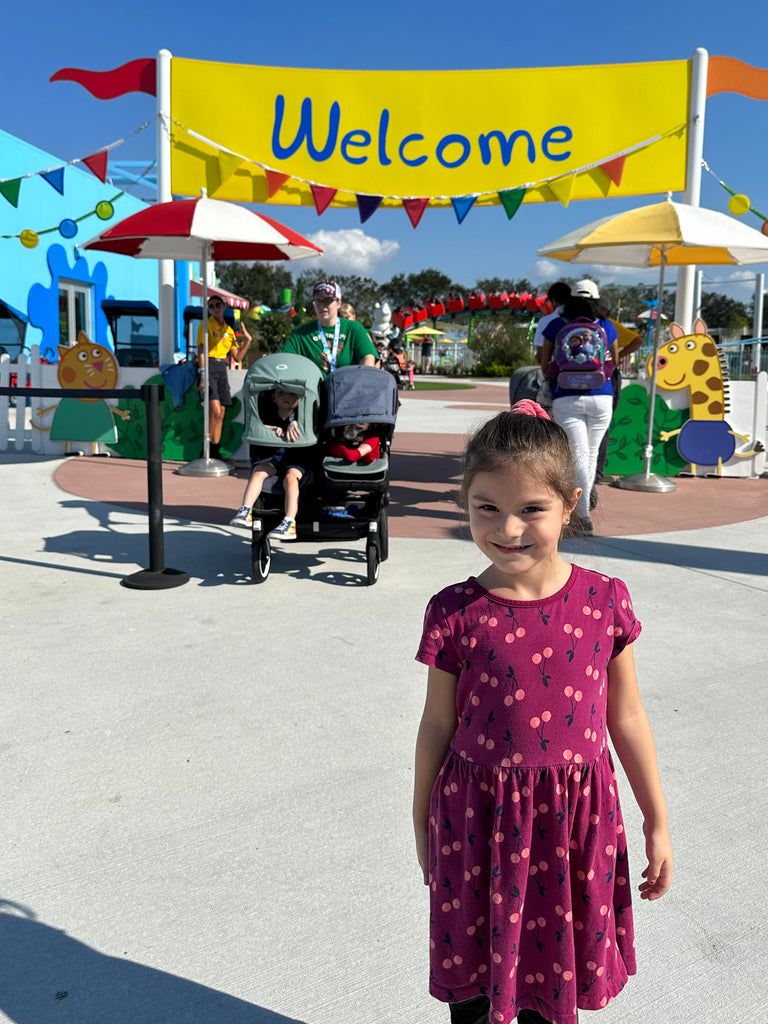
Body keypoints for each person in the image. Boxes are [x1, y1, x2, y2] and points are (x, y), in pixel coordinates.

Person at [413, 403, 673, 1024]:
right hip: (478, 821)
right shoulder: (455, 612)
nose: (508, 528)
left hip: (573, 825)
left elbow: (627, 717)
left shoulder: (605, 601)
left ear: (570, 503)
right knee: (478, 989)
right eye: (487, 508)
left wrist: (657, 820)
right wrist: (420, 816)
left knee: (553, 991)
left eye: (531, 509)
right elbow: (437, 724)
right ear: (465, 503)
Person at [540, 280, 618, 534]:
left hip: (566, 395)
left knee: (579, 456)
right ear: (596, 301)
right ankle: (582, 511)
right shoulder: (605, 325)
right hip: (602, 395)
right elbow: (614, 361)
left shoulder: (556, 325)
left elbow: (544, 361)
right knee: (590, 455)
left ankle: (582, 516)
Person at [229, 387, 307, 540]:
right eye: (281, 393)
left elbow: (306, 428)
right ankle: (246, 510)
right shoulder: (268, 415)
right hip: (274, 458)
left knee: (290, 479)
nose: (287, 397)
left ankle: (290, 522)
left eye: (292, 393)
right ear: (273, 398)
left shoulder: (302, 416)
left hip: (296, 459)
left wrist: (294, 424)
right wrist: (272, 429)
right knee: (258, 471)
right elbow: (257, 427)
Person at [281, 280, 377, 376]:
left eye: (327, 300)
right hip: (314, 390)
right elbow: (282, 359)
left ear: (338, 303)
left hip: (347, 389)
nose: (322, 306)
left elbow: (368, 357)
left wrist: (362, 382)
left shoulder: (353, 328)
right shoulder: (301, 333)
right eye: (317, 300)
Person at [593, 311, 642, 492]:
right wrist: (617, 358)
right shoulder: (608, 325)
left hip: (574, 382)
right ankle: (596, 472)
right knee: (602, 426)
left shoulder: (567, 322)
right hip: (605, 380)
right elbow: (638, 340)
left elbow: (637, 340)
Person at [197, 297, 252, 460]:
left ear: (224, 307)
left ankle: (215, 449)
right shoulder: (205, 325)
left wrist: (248, 341)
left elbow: (237, 357)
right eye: (211, 306)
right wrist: (203, 374)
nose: (215, 308)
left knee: (221, 412)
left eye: (218, 305)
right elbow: (201, 350)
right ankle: (205, 450)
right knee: (213, 410)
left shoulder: (228, 330)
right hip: (209, 365)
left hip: (222, 368)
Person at [533, 281, 571, 370]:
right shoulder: (584, 318)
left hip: (558, 373)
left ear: (553, 301)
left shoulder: (546, 321)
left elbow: (541, 357)